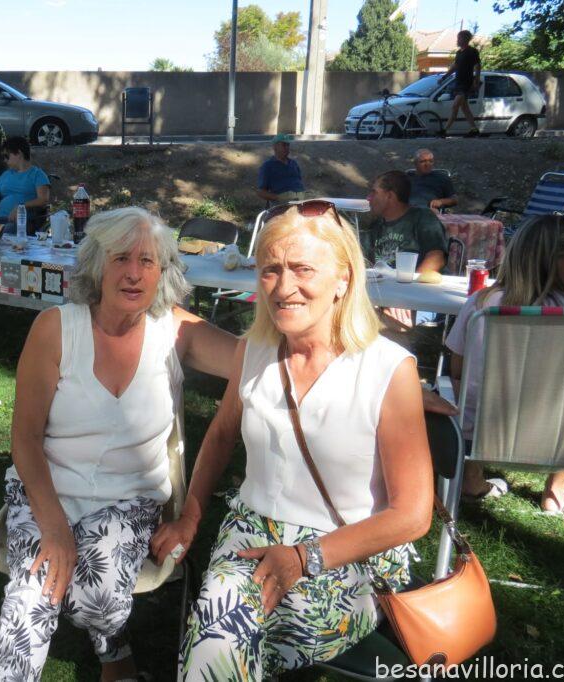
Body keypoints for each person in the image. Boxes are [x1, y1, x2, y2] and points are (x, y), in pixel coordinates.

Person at [151, 201, 433, 678]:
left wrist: (304, 558)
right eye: (271, 270)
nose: (283, 288)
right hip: (250, 533)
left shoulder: (387, 369)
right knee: (223, 626)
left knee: (224, 628)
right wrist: (190, 517)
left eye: (303, 269)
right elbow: (220, 435)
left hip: (344, 550)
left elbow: (412, 515)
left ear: (343, 278)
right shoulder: (255, 350)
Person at [0, 207, 238, 681]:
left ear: (162, 272)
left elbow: (257, 358)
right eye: (120, 258)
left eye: (147, 261)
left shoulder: (175, 331)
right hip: (46, 490)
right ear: (96, 265)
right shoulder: (56, 328)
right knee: (29, 600)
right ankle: (112, 656)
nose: (133, 273)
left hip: (129, 500)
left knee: (98, 595)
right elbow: (24, 439)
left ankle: (113, 648)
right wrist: (55, 528)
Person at [446, 214, 564, 512]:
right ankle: (554, 492)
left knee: (456, 387)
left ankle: (472, 478)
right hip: (560, 439)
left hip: (481, 435)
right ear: (555, 260)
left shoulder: (482, 305)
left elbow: (457, 371)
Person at [366, 170, 447, 272]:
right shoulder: (376, 225)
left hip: (415, 281)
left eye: (374, 192)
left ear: (389, 196)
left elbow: (436, 258)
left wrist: (414, 281)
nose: (368, 198)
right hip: (382, 281)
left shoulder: (422, 218)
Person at [0, 136, 50, 231]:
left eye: (6, 156)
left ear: (18, 153)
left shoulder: (37, 174)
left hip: (21, 221)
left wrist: (21, 206)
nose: (4, 160)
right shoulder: (6, 174)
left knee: (5, 233)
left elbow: (43, 200)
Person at [439, 30, 482, 138]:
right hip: (458, 83)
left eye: (459, 38)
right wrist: (444, 77)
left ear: (465, 39)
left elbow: (477, 66)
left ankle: (444, 130)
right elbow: (455, 66)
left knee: (455, 106)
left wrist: (476, 81)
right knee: (464, 108)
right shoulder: (459, 53)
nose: (457, 40)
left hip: (466, 83)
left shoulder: (472, 51)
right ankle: (474, 129)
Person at [256, 133, 306, 206]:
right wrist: (279, 198)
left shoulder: (293, 164)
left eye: (288, 145)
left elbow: (299, 183)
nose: (286, 148)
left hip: (301, 201)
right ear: (275, 147)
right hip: (281, 205)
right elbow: (261, 192)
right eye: (284, 145)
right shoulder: (268, 166)